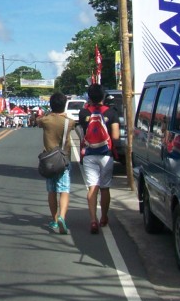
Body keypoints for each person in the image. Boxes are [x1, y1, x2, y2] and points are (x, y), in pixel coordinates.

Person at [78, 83, 121, 234]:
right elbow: (115, 136)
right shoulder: (111, 112)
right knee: (105, 187)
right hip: (106, 154)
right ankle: (103, 217)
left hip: (89, 154)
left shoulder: (83, 113)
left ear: (89, 97)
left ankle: (93, 220)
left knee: (92, 187)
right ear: (103, 96)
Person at [37, 93, 73, 234]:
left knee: (51, 191)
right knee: (64, 190)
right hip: (63, 160)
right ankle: (63, 217)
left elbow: (38, 120)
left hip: (49, 161)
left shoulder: (46, 120)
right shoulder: (69, 122)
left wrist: (49, 113)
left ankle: (55, 219)